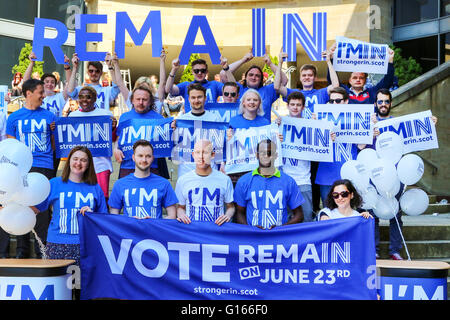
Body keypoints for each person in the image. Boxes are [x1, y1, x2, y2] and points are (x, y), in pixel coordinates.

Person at [361, 88, 438, 260]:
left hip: (396, 174)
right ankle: (373, 249)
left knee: (396, 213)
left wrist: (429, 125)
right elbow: (359, 147)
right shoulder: (369, 124)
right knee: (372, 213)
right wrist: (368, 133)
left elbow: (418, 136)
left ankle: (395, 249)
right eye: (380, 101)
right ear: (375, 104)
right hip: (375, 174)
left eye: (386, 101)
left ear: (390, 103)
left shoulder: (398, 123)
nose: (383, 105)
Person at [35, 146, 107, 298]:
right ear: (69, 162)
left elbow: (104, 220)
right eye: (75, 159)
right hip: (57, 246)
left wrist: (92, 215)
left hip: (86, 246)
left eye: (83, 160)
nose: (78, 163)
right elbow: (36, 208)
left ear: (88, 164)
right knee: (60, 292)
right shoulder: (54, 183)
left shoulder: (95, 188)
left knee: (82, 292)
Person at [275, 46, 340, 214]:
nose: (307, 77)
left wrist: (328, 62)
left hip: (315, 144)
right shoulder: (294, 93)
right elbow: (277, 88)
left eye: (310, 75)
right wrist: (280, 62)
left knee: (314, 179)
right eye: (304, 75)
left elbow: (336, 85)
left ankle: (315, 209)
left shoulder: (320, 94)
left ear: (314, 77)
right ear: (300, 78)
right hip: (298, 145)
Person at [6, 79, 57, 258]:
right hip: (22, 168)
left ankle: (41, 248)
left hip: (44, 166)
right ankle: (22, 249)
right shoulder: (13, 118)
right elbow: (11, 146)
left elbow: (54, 144)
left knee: (41, 209)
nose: (43, 96)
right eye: (40, 92)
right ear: (29, 93)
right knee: (21, 206)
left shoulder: (50, 116)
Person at [234, 139, 304, 229]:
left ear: (276, 155)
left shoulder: (288, 182)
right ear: (257, 155)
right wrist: (251, 230)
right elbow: (239, 213)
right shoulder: (244, 181)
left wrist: (280, 229)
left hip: (279, 239)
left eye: (270, 153)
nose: (266, 156)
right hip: (253, 239)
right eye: (262, 153)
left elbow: (299, 214)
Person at [314, 87, 361, 208]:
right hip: (327, 174)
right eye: (331, 101)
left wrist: (372, 124)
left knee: (348, 214)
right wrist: (314, 125)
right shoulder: (320, 119)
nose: (334, 103)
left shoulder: (356, 119)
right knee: (328, 213)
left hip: (348, 173)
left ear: (346, 101)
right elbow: (312, 146)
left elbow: (362, 145)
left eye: (338, 100)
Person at [68, 86, 117, 201]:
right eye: (81, 97)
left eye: (88, 97)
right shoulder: (72, 116)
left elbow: (113, 139)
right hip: (79, 165)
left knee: (101, 199)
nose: (84, 100)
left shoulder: (106, 114)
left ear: (95, 99)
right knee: (81, 198)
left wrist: (113, 128)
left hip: (101, 165)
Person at [109, 140, 178, 219]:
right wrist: (129, 222)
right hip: (128, 231)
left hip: (154, 231)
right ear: (133, 157)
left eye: (148, 156)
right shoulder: (120, 184)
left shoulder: (164, 184)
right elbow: (114, 217)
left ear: (152, 158)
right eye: (140, 156)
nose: (144, 160)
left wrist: (154, 223)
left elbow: (172, 216)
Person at [175, 139, 234, 225]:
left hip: (216, 231)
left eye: (205, 152)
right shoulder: (183, 180)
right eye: (197, 152)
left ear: (212, 155)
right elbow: (180, 207)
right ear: (193, 155)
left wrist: (228, 216)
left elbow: (231, 207)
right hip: (192, 232)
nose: (201, 156)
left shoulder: (225, 180)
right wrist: (181, 215)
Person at [114, 86, 166, 179]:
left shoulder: (159, 119)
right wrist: (116, 149)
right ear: (132, 100)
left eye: (144, 99)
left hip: (151, 167)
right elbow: (119, 137)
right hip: (128, 166)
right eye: (138, 99)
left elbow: (166, 143)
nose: (141, 102)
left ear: (150, 102)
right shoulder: (124, 117)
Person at [279, 91, 315, 222]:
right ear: (287, 106)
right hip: (283, 178)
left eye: (298, 105)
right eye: (292, 104)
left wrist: (317, 128)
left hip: (303, 179)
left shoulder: (310, 125)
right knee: (285, 219)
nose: (295, 107)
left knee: (306, 217)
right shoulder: (278, 124)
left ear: (303, 107)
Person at [221, 52, 288, 122]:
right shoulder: (239, 89)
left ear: (261, 80)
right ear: (245, 77)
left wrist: (270, 64)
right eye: (251, 75)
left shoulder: (268, 90)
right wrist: (242, 60)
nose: (253, 77)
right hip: (242, 130)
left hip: (263, 129)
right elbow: (223, 74)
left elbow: (284, 80)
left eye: (257, 76)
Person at [172, 83, 222, 178]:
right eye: (193, 97)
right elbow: (174, 145)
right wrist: (172, 130)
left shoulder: (215, 119)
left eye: (199, 97)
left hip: (210, 169)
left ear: (205, 98)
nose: (196, 100)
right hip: (186, 170)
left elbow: (219, 146)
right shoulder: (181, 120)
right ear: (189, 99)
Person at [329, 48, 395, 105]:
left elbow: (387, 81)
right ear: (350, 80)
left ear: (365, 80)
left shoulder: (372, 92)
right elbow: (332, 80)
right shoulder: (343, 91)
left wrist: (390, 62)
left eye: (361, 78)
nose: (358, 80)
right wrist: (331, 60)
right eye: (355, 78)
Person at [111, 50, 167, 114]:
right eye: (140, 87)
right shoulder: (132, 100)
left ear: (151, 89)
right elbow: (120, 83)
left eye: (146, 88)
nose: (141, 102)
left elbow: (162, 83)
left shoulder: (157, 101)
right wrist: (115, 64)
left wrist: (162, 61)